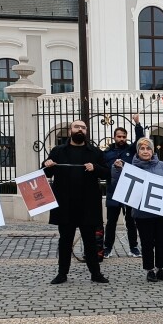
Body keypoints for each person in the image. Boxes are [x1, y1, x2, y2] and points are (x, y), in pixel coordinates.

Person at [43, 119, 109, 285]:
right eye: (76, 127)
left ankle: (95, 273)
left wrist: (96, 168)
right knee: (65, 240)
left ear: (86, 131)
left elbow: (107, 174)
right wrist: (47, 164)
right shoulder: (58, 151)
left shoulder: (95, 152)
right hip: (65, 205)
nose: (80, 129)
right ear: (70, 130)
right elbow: (45, 174)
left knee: (90, 241)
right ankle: (62, 273)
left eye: (83, 128)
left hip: (88, 205)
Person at [131, 137, 163, 283]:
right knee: (147, 242)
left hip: (162, 212)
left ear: (153, 151)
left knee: (162, 241)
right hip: (142, 213)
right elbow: (122, 182)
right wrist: (117, 169)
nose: (145, 151)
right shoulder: (132, 167)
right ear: (138, 151)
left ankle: (160, 268)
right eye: (142, 148)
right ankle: (149, 270)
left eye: (148, 148)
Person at [103, 114, 145, 259]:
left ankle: (133, 248)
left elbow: (140, 140)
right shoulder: (107, 153)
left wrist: (137, 123)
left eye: (124, 137)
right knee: (111, 222)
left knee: (131, 221)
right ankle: (107, 248)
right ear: (114, 137)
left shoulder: (131, 150)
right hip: (113, 191)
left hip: (129, 191)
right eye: (119, 136)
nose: (121, 139)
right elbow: (102, 169)